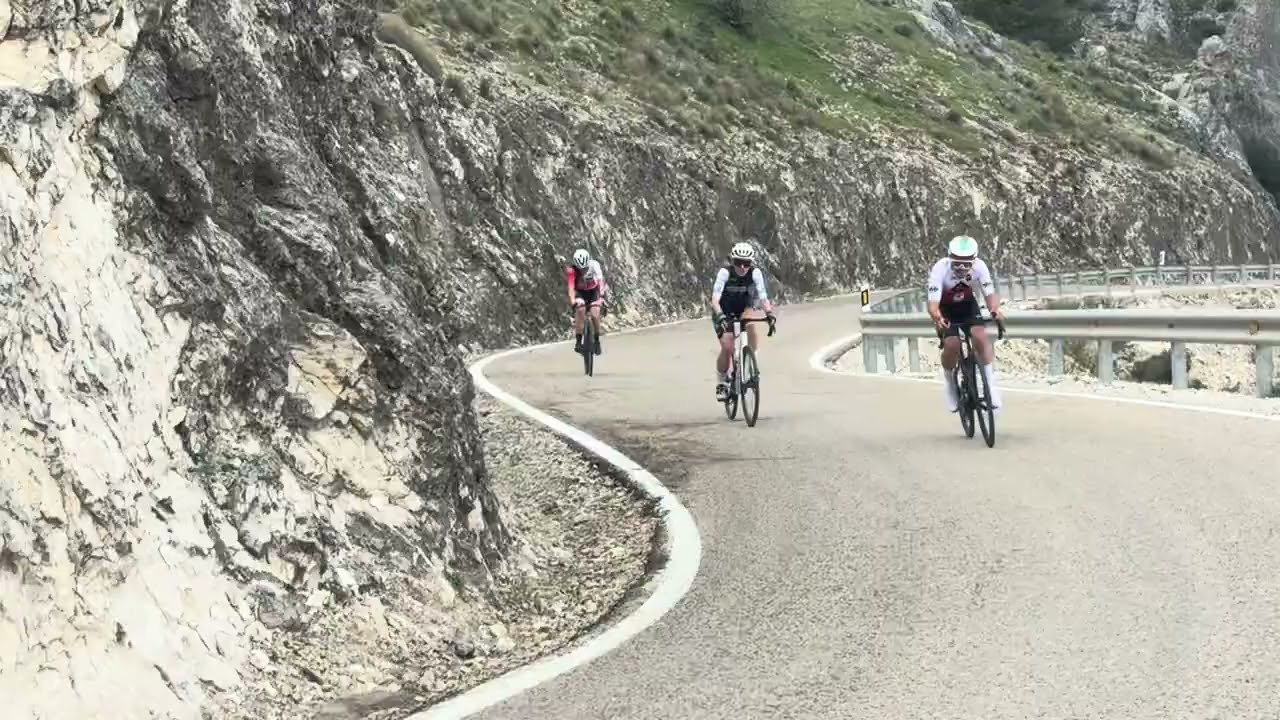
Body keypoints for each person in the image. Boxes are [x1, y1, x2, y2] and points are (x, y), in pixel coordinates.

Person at [926, 235, 1003, 413]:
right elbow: (933, 305)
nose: (961, 268)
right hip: (945, 309)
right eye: (957, 263)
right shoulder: (940, 268)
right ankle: (950, 384)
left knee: (980, 337)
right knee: (952, 345)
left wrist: (994, 310)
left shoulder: (980, 267)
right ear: (949, 258)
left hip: (968, 306)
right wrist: (937, 317)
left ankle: (990, 385)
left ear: (974, 261)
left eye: (966, 264)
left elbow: (989, 293)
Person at [710, 241, 776, 400]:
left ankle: (750, 365)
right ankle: (722, 381)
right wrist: (720, 316)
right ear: (733, 261)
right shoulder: (725, 273)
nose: (742, 267)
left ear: (751, 263)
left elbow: (763, 297)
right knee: (727, 346)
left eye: (746, 263)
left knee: (751, 325)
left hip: (744, 307)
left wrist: (769, 313)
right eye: (738, 262)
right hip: (723, 309)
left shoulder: (755, 273)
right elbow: (715, 300)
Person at [567, 248, 609, 355]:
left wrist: (601, 297)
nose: (583, 270)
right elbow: (571, 288)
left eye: (585, 268)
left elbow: (601, 281)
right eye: (580, 268)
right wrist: (573, 302)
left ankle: (597, 341)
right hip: (580, 292)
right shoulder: (571, 270)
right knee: (580, 311)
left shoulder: (594, 265)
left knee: (595, 314)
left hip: (594, 291)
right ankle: (578, 342)